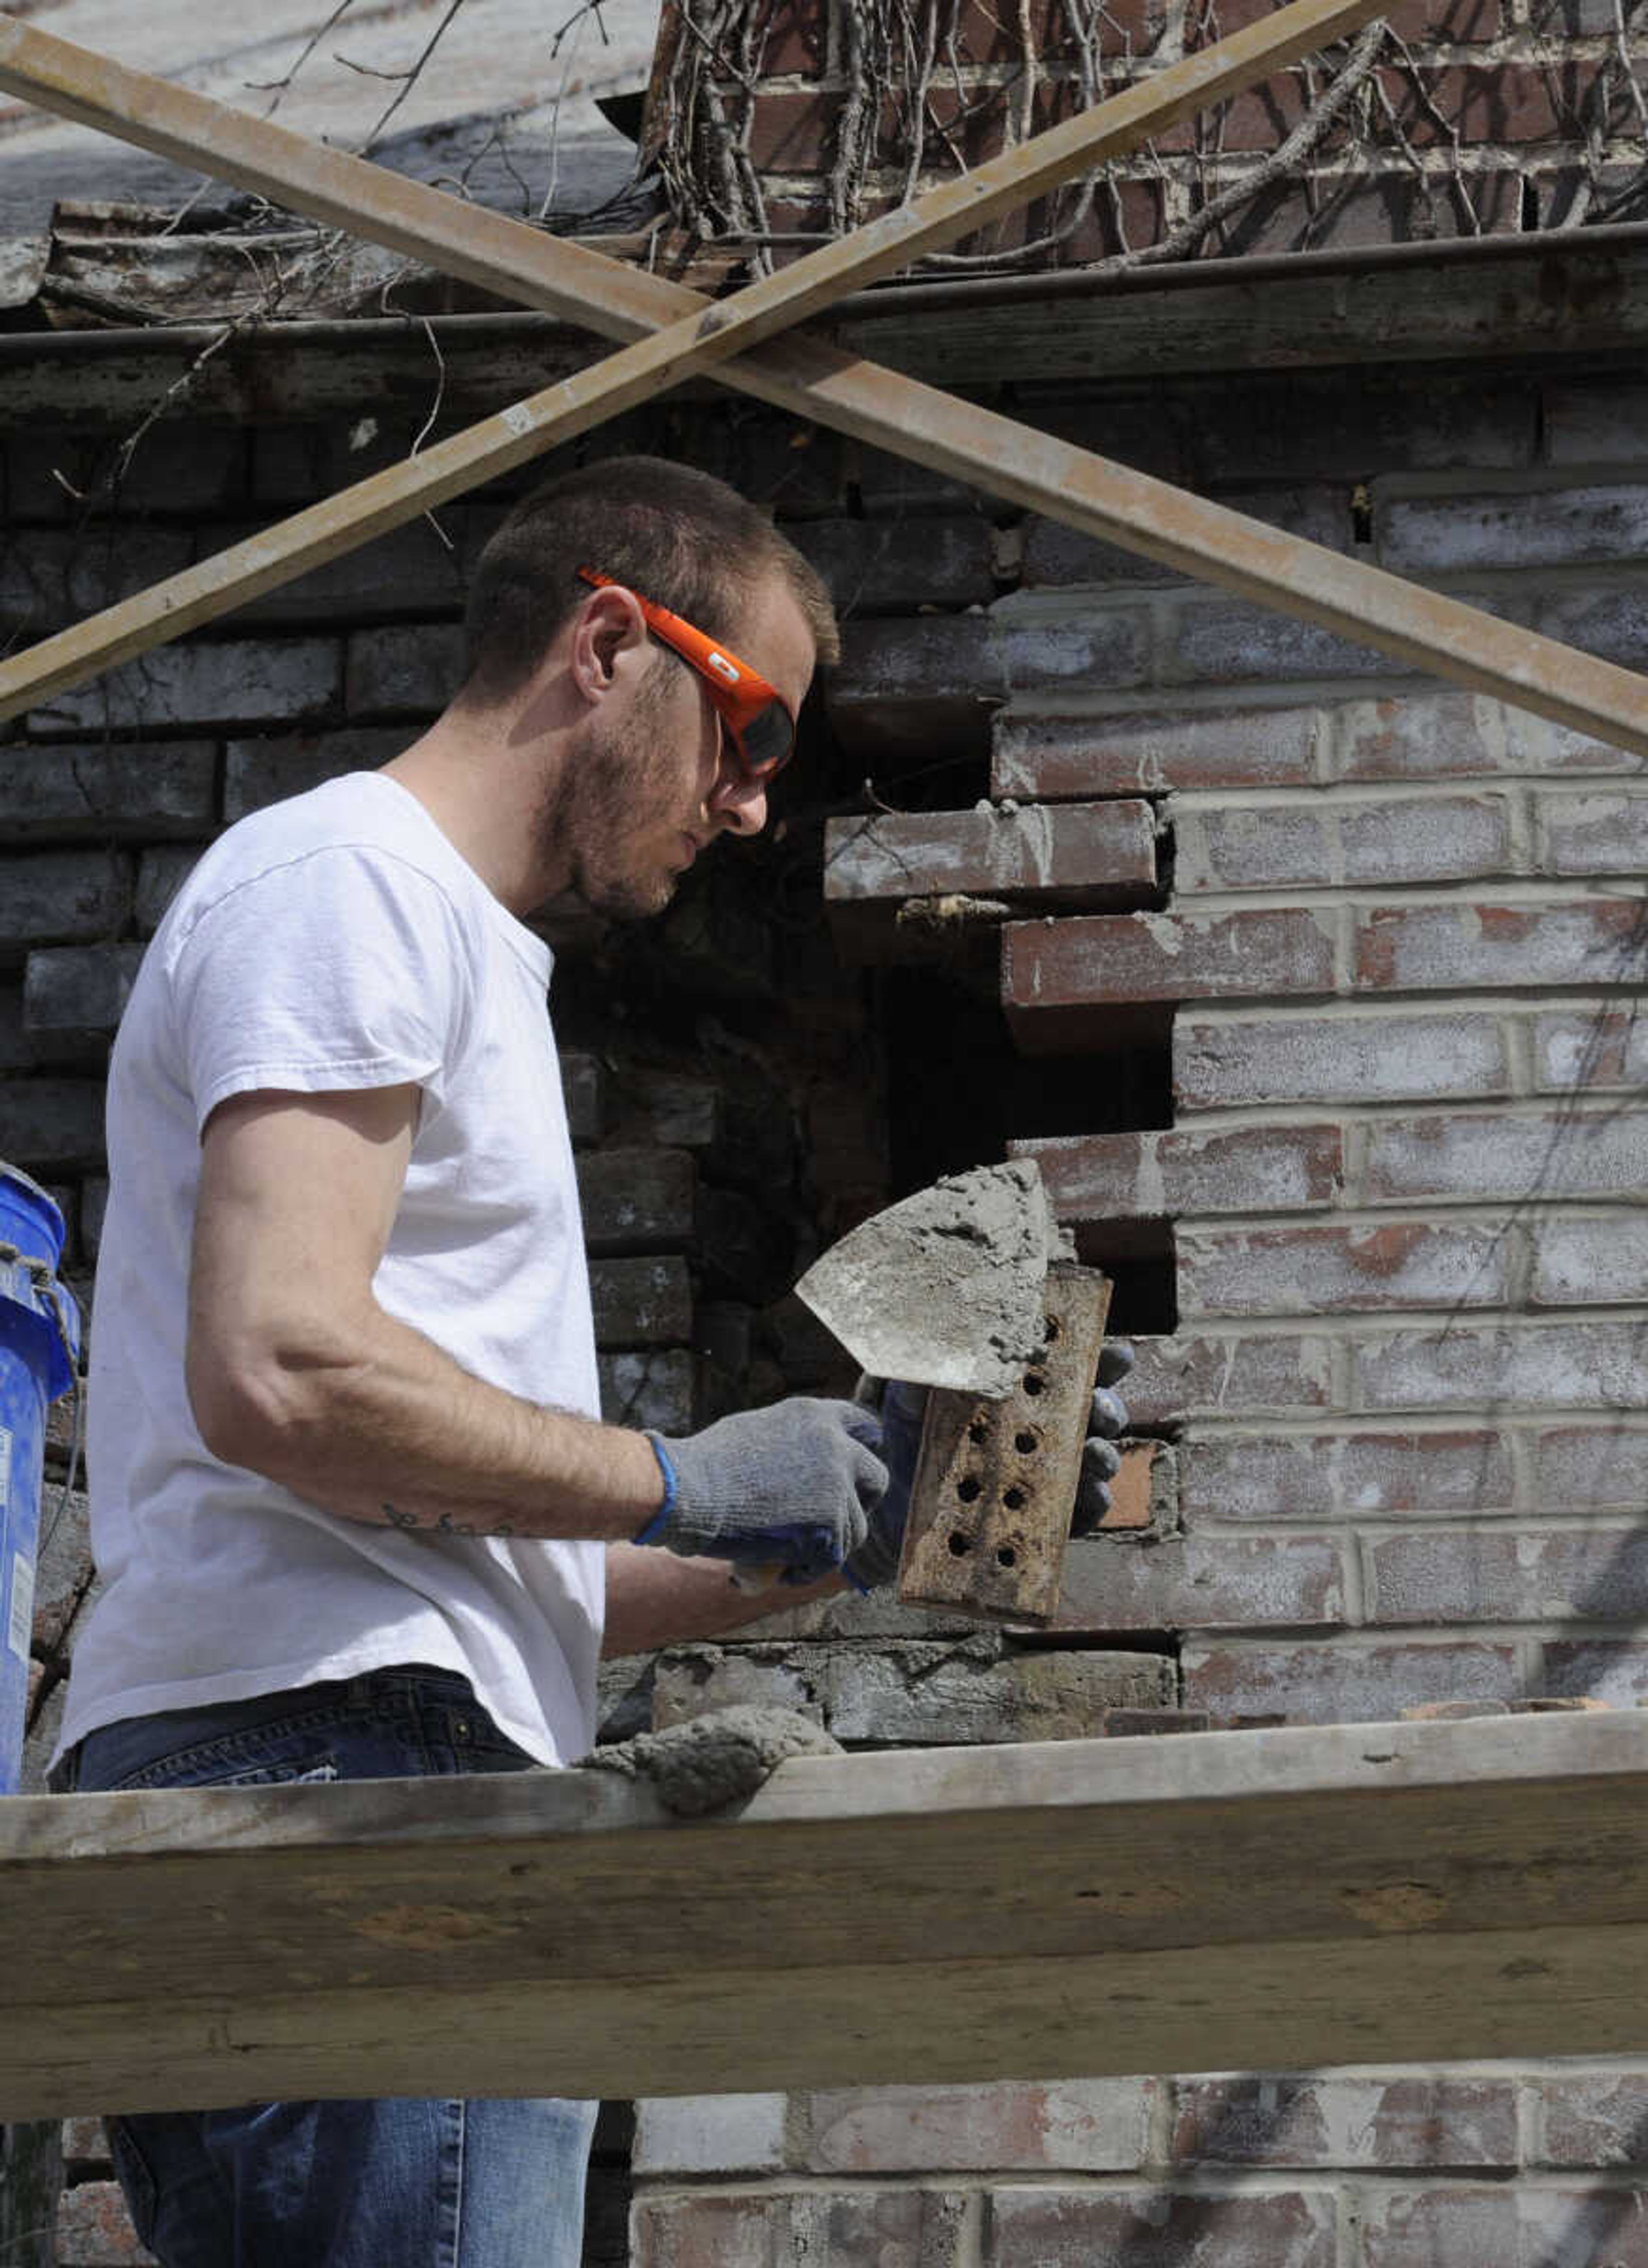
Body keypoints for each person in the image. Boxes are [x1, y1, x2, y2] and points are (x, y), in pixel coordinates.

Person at [48, 454, 1127, 2268]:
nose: (756, 801)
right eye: (753, 724)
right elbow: (279, 1369)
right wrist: (687, 1472)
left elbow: (467, 1547)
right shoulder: (352, 886)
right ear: (610, 641)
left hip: (347, 1752)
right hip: (345, 1775)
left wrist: (838, 1530)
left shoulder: (444, 944)